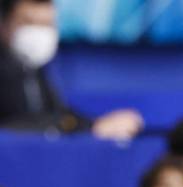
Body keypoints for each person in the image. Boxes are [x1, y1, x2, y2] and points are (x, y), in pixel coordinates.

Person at [0, 0, 142, 138]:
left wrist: (96, 125)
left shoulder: (33, 69)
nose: (38, 33)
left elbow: (58, 114)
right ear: (4, 24)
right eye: (29, 23)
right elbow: (13, 126)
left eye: (47, 24)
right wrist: (89, 128)